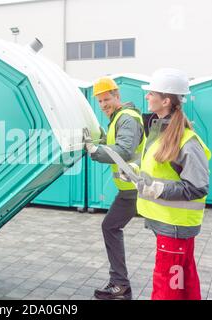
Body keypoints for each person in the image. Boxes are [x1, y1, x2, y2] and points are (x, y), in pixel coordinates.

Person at [120, 68, 211, 300]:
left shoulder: (187, 141)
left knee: (167, 287)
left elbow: (197, 187)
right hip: (167, 223)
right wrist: (135, 173)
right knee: (184, 282)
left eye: (151, 93)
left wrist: (158, 189)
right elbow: (158, 171)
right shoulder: (160, 132)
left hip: (176, 226)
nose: (147, 97)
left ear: (166, 100)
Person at [83, 77, 145, 300]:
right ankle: (120, 283)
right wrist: (100, 135)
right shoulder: (119, 118)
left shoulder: (126, 118)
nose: (103, 105)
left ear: (117, 96)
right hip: (131, 189)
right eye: (99, 101)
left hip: (136, 188)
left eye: (106, 99)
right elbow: (116, 141)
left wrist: (93, 150)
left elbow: (125, 151)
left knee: (110, 227)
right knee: (110, 227)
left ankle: (120, 284)